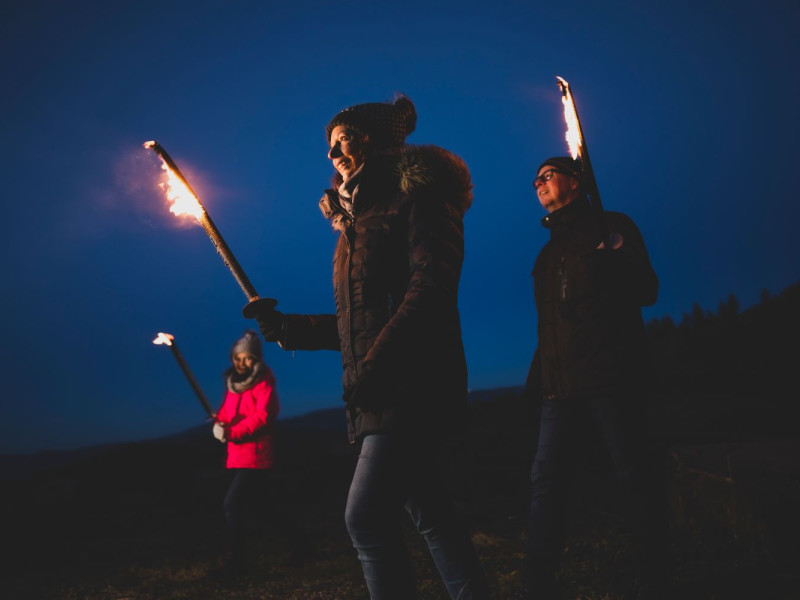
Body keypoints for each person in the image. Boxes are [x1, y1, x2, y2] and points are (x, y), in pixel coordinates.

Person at [244, 94, 490, 599]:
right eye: (329, 144)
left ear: (376, 141)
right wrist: (288, 328)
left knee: (366, 518)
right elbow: (359, 321)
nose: (333, 153)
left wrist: (377, 366)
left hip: (411, 380)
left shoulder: (421, 198)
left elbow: (431, 289)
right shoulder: (355, 224)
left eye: (344, 139)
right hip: (382, 383)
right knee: (431, 514)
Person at [516, 157, 671, 599]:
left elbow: (647, 290)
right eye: (535, 179)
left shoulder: (612, 226)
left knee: (634, 476)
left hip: (610, 378)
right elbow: (550, 326)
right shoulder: (547, 255)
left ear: (576, 181)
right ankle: (536, 586)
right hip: (558, 390)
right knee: (546, 484)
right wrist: (536, 384)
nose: (539, 183)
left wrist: (615, 254)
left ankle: (656, 579)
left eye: (548, 175)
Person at [211, 329, 280, 580]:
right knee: (264, 507)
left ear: (256, 359)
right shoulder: (233, 384)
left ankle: (236, 562)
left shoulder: (264, 381)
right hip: (238, 454)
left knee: (231, 504)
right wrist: (219, 424)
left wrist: (232, 433)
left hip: (257, 454)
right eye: (238, 358)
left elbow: (263, 416)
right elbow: (227, 413)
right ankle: (302, 546)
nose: (242, 363)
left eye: (247, 358)